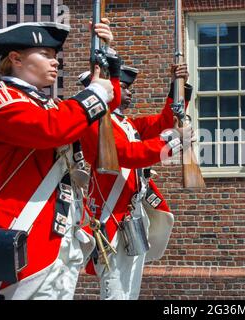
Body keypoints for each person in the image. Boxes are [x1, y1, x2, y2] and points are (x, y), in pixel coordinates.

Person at [0, 20, 120, 300]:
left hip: (61, 233)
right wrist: (94, 93)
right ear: (16, 58)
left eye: (55, 56)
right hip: (25, 227)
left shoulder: (50, 106)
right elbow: (52, 128)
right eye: (46, 55)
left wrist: (108, 62)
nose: (55, 62)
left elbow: (101, 114)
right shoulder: (1, 99)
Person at [78, 63, 193, 299]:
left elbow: (164, 123)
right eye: (122, 86)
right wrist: (172, 143)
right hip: (110, 216)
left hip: (132, 213)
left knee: (131, 289)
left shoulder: (127, 123)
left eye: (129, 88)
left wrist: (177, 87)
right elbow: (128, 155)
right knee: (115, 288)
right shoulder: (96, 124)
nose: (128, 92)